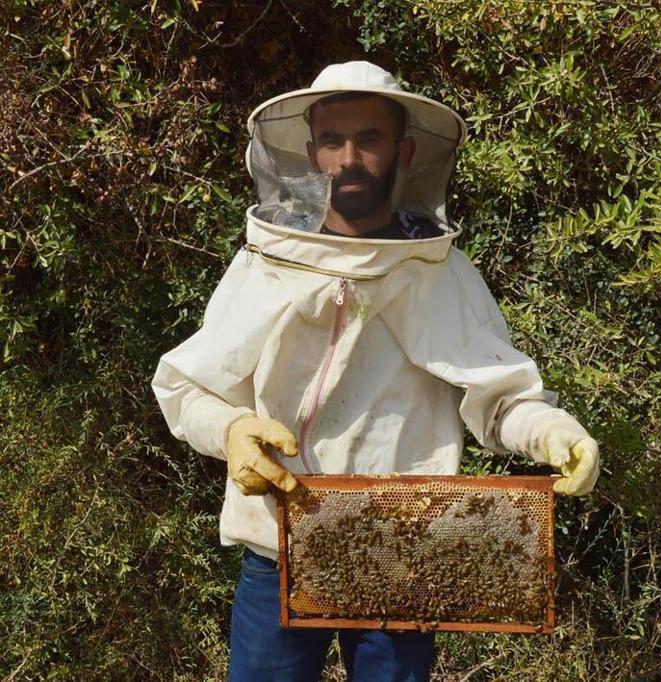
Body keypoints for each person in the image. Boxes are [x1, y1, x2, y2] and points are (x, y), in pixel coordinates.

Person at [152, 61, 600, 682]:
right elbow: (187, 386)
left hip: (401, 547)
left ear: (404, 150)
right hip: (277, 542)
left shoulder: (442, 272)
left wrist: (551, 428)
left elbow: (500, 400)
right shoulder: (265, 265)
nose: (349, 159)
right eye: (333, 141)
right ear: (310, 154)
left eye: (369, 139)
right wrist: (230, 431)